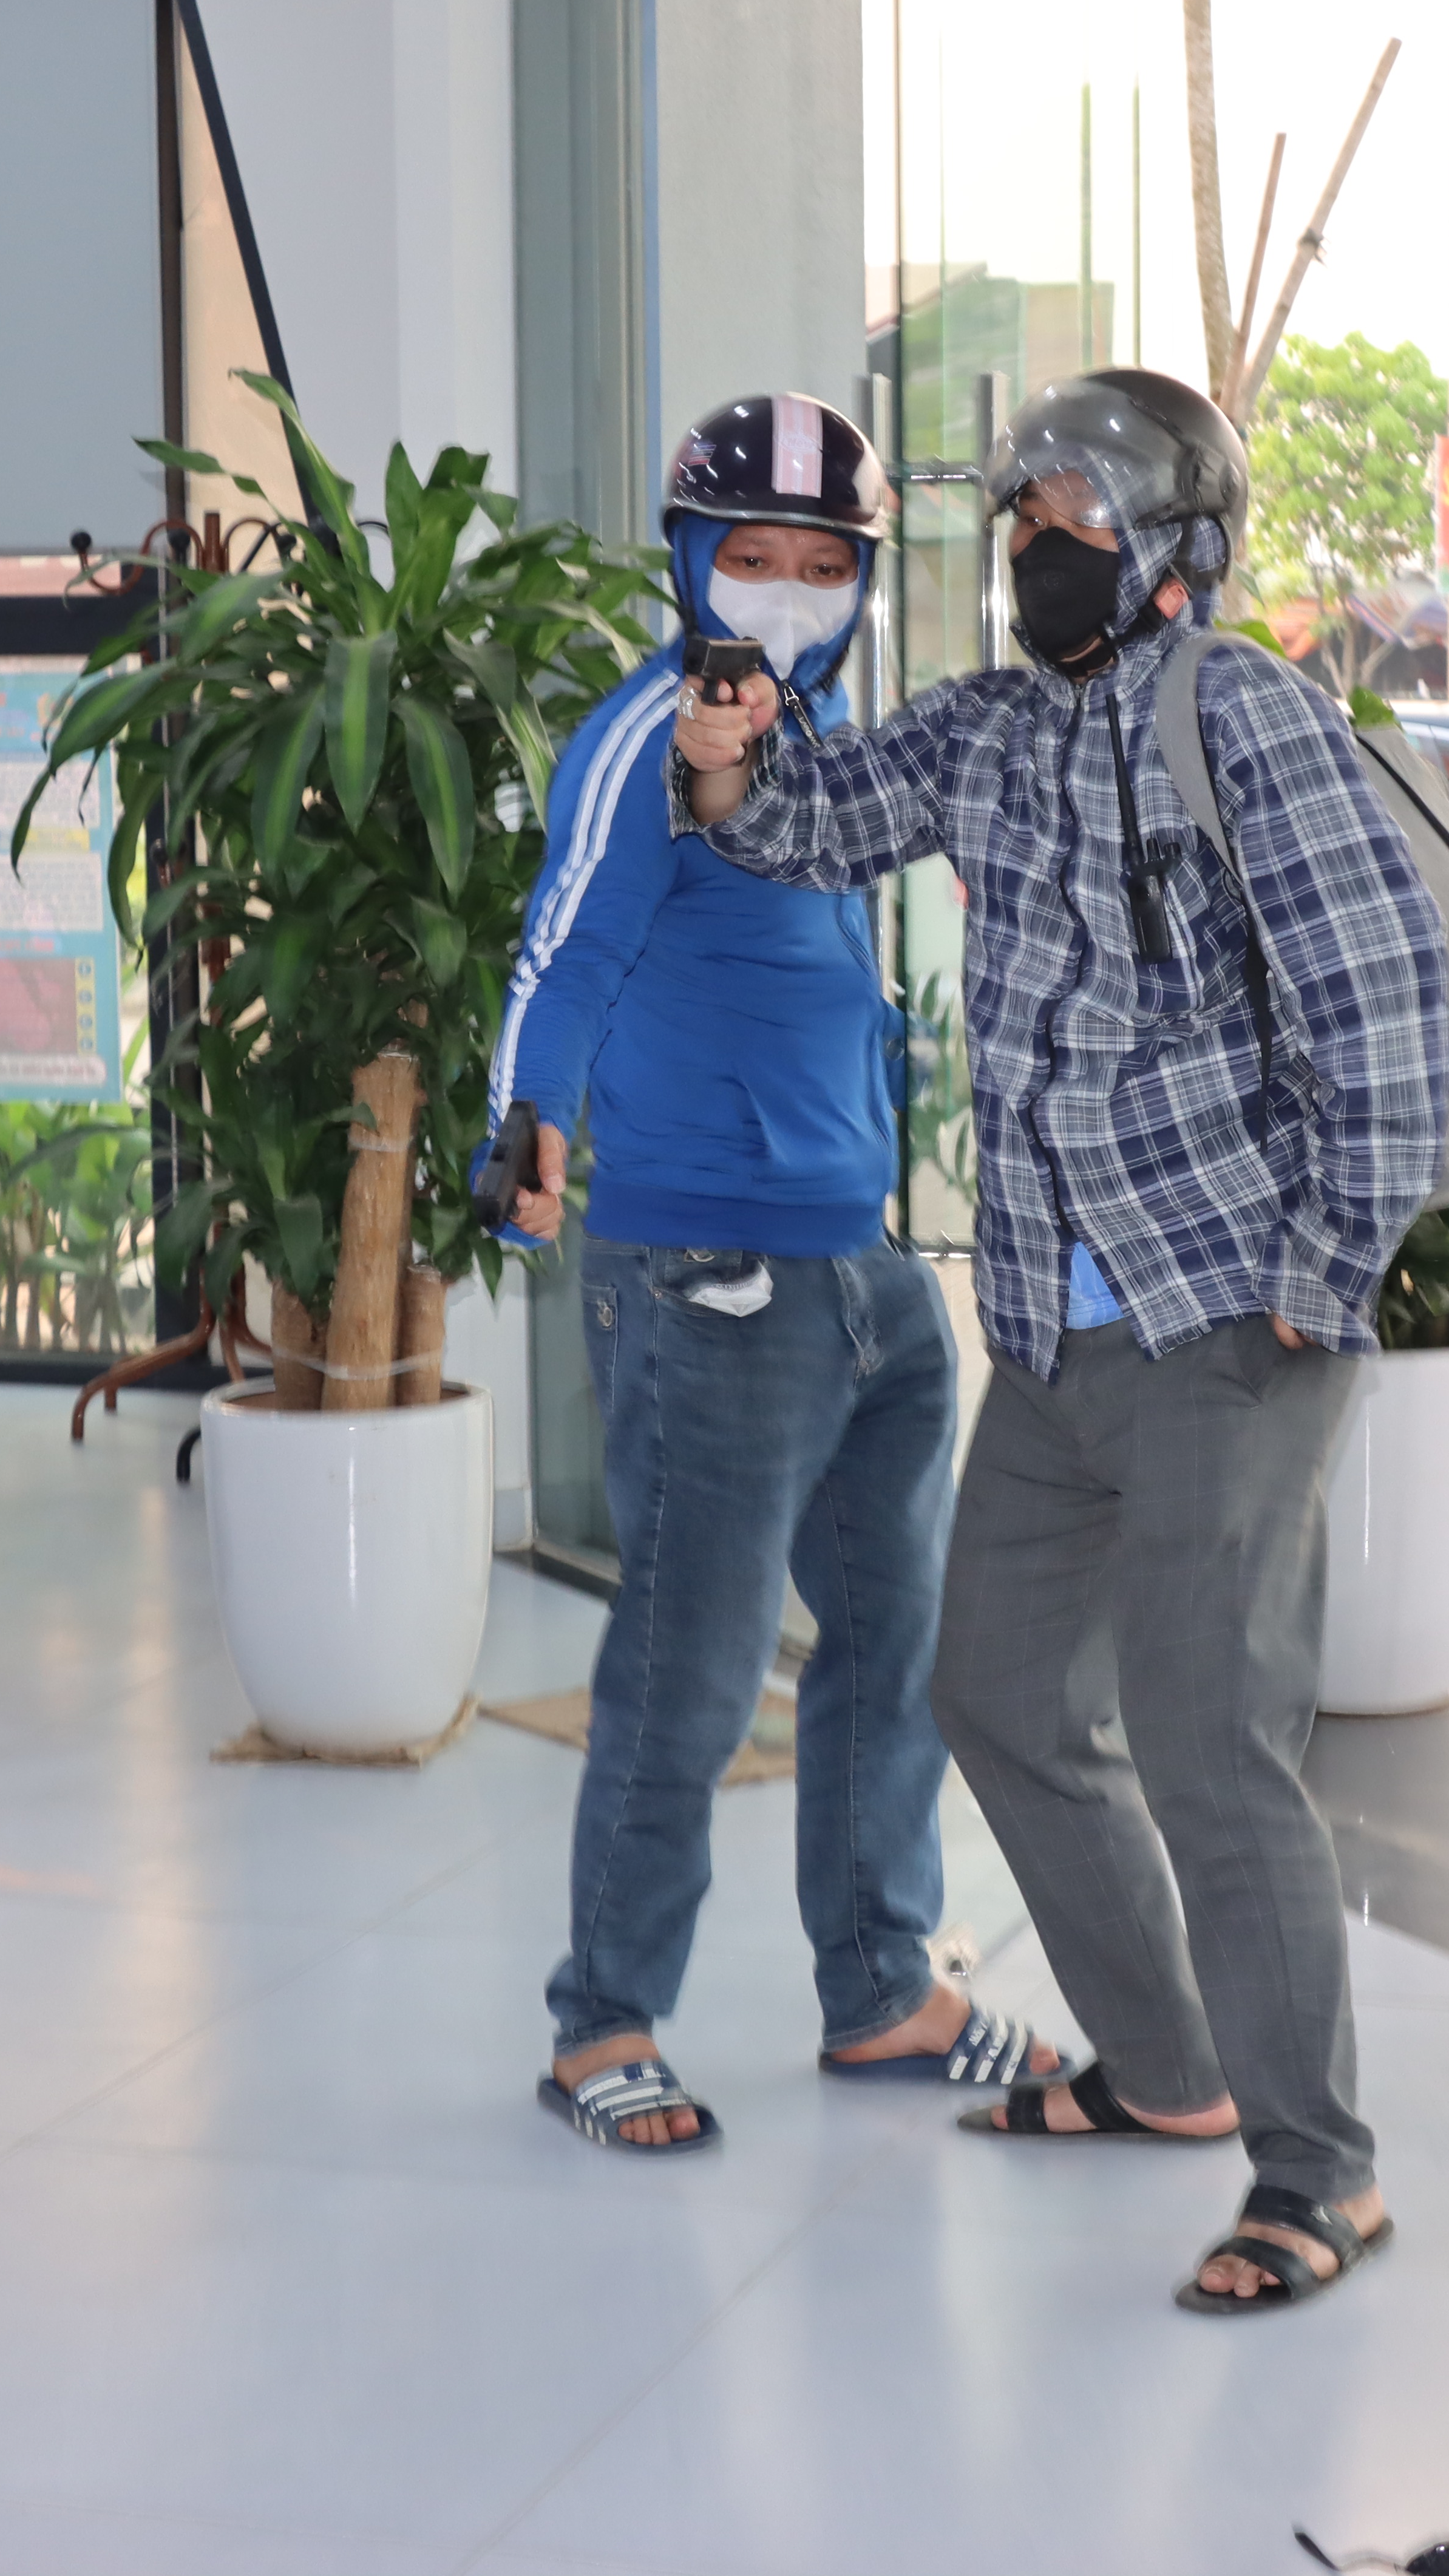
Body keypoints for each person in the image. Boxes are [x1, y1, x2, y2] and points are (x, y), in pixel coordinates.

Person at [674, 367, 1449, 2314]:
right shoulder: (1000, 729)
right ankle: (1169, 2068)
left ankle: (1321, 2172)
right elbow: (820, 824)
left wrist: (1324, 1267)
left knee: (1212, 1741)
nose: (1036, 546)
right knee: (1001, 1693)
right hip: (1049, 1328)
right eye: (1020, 515)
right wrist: (728, 765)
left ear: (1178, 547)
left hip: (1226, 1315)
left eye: (1078, 517)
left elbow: (1381, 1001)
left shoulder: (1244, 714)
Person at [494, 390, 1050, 2155]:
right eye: (755, 557)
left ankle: (880, 1986)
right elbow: (565, 945)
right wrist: (529, 1125)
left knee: (894, 1649)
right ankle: (602, 2021)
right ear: (688, 560)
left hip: (859, 1267)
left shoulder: (820, 742)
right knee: (693, 1663)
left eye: (825, 563)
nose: (791, 590)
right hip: (703, 1266)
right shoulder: (648, 736)